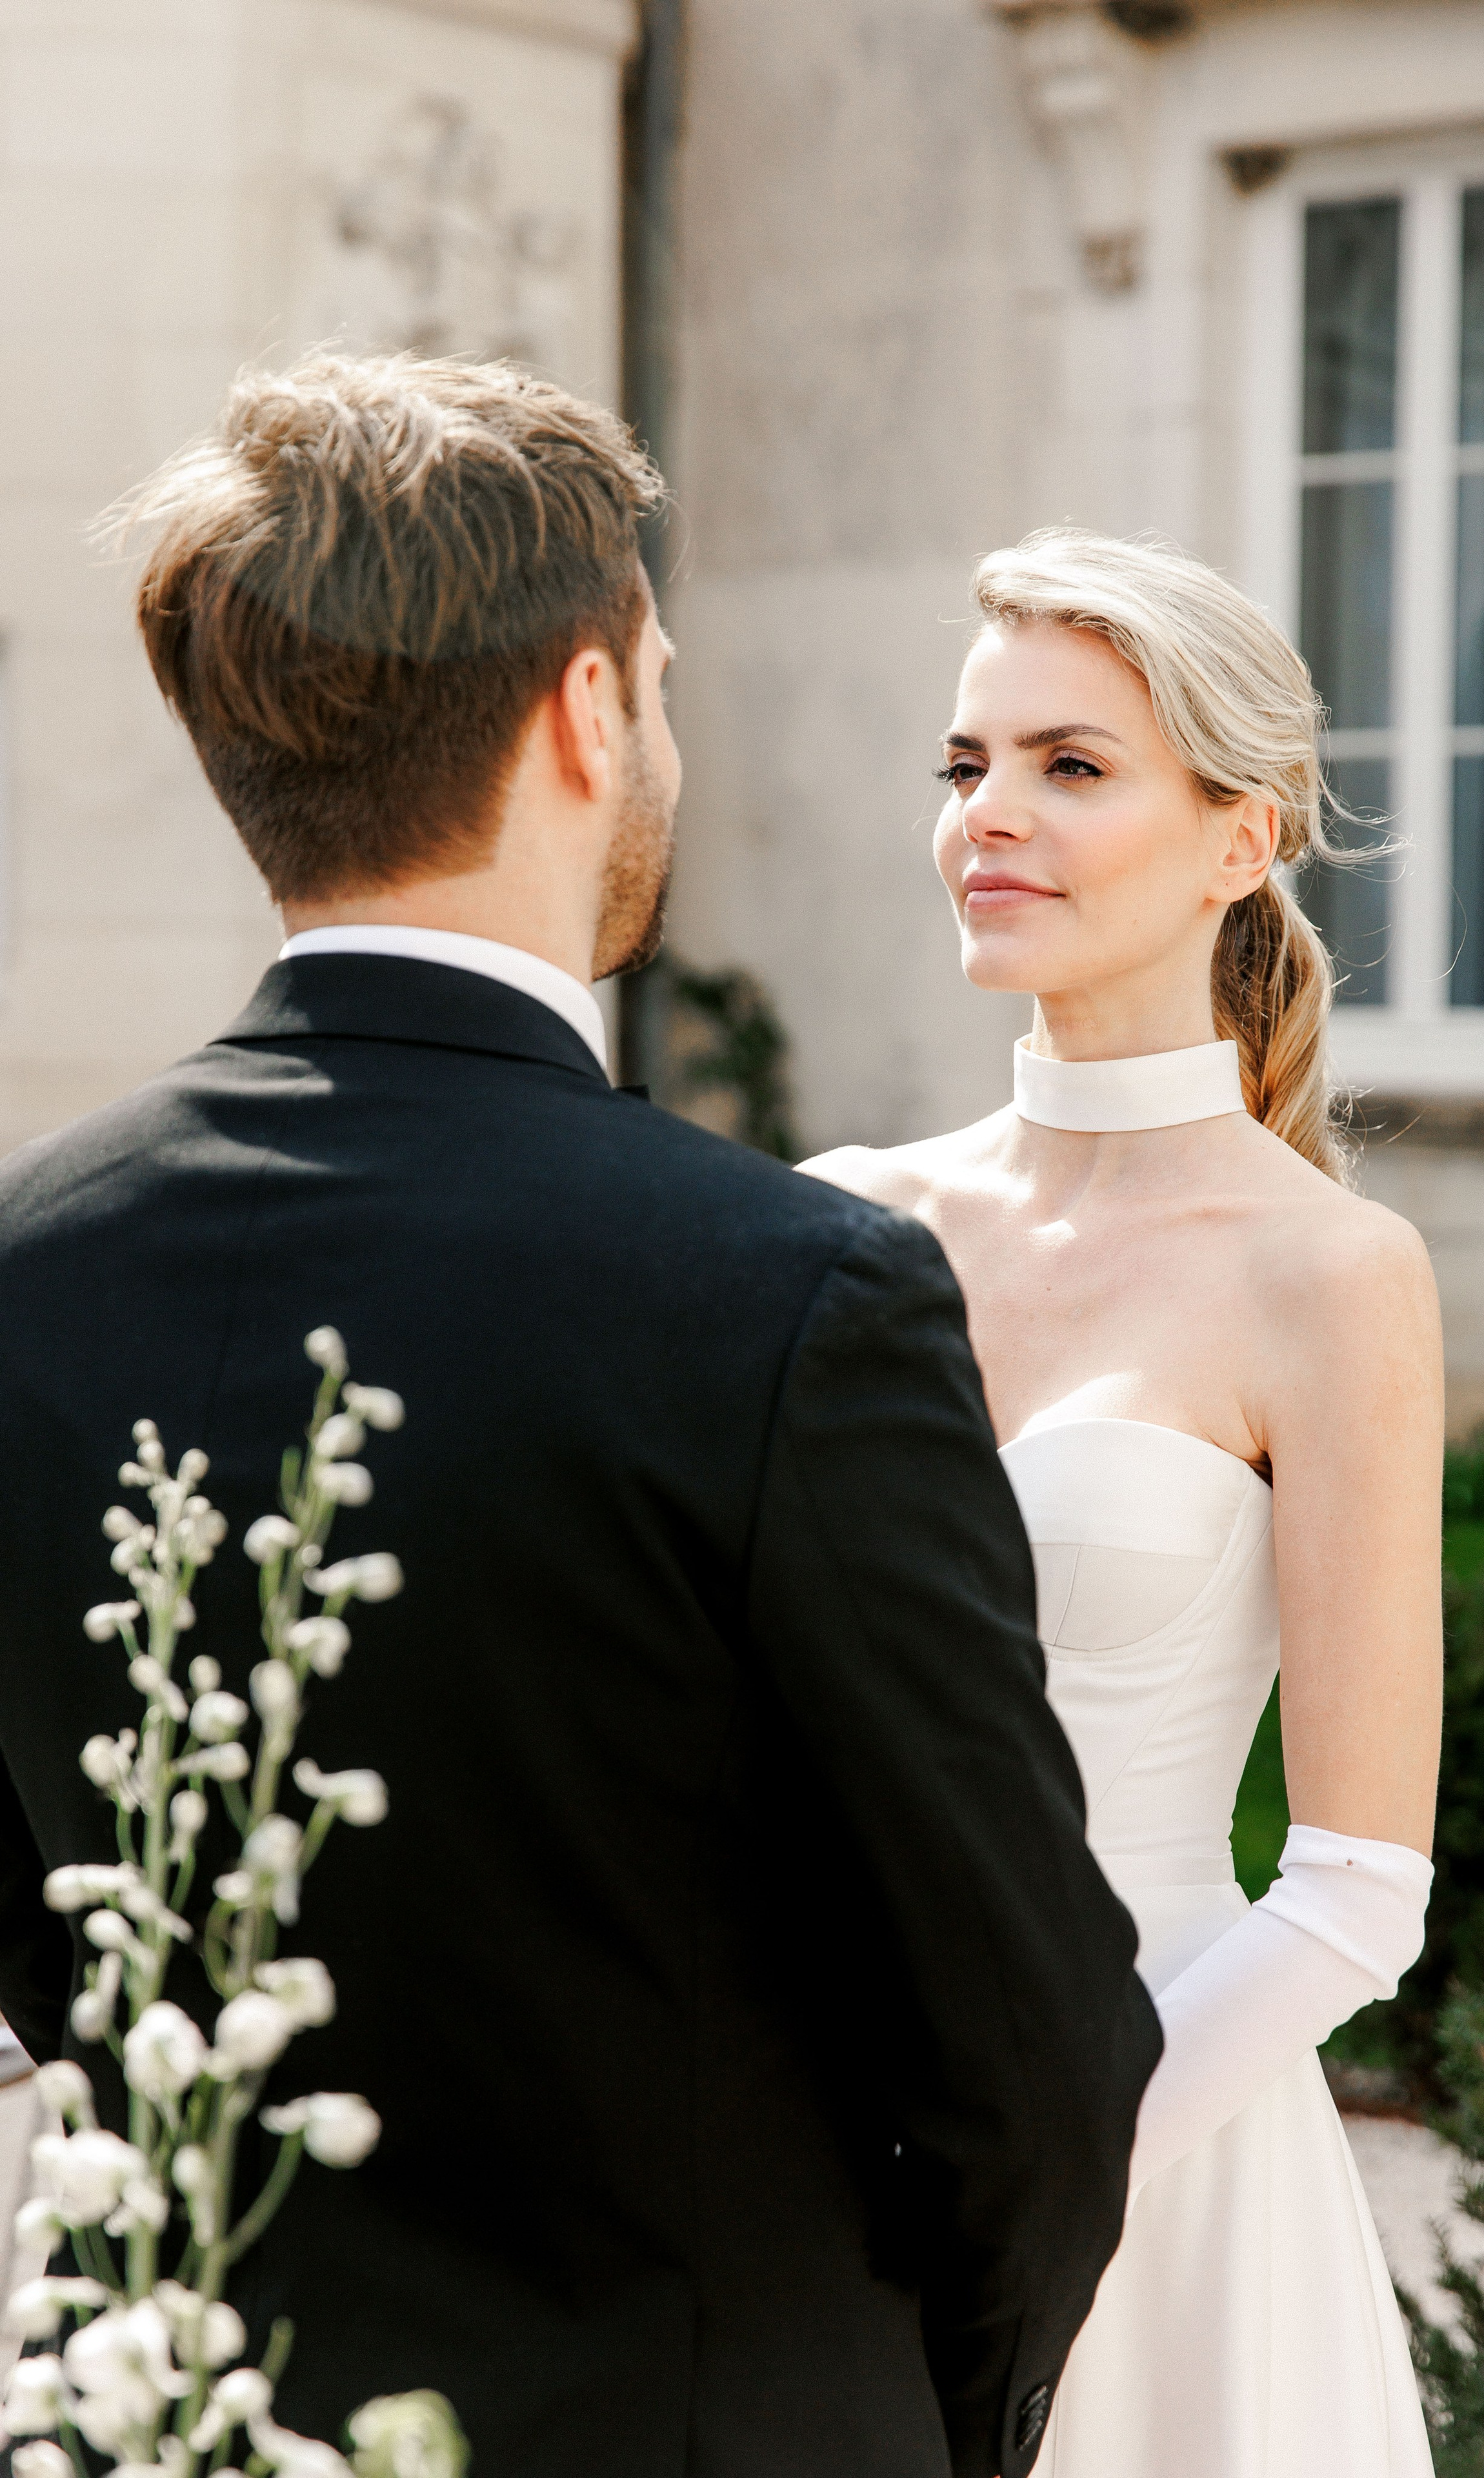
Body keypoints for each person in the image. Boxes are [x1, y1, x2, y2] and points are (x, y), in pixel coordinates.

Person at [0, 367, 1161, 2477]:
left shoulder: (15, 1273)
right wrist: (935, 2425)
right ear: (588, 709)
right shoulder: (795, 1298)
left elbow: (53, 1938)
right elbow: (1030, 2044)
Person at [804, 530, 1443, 2477]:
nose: (990, 815)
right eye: (966, 765)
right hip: (817, 2160)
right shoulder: (841, 1225)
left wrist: (1046, 2170)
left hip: (1165, 2139)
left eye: (1073, 766)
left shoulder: (1331, 1277)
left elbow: (1356, 1897)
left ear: (1240, 842)